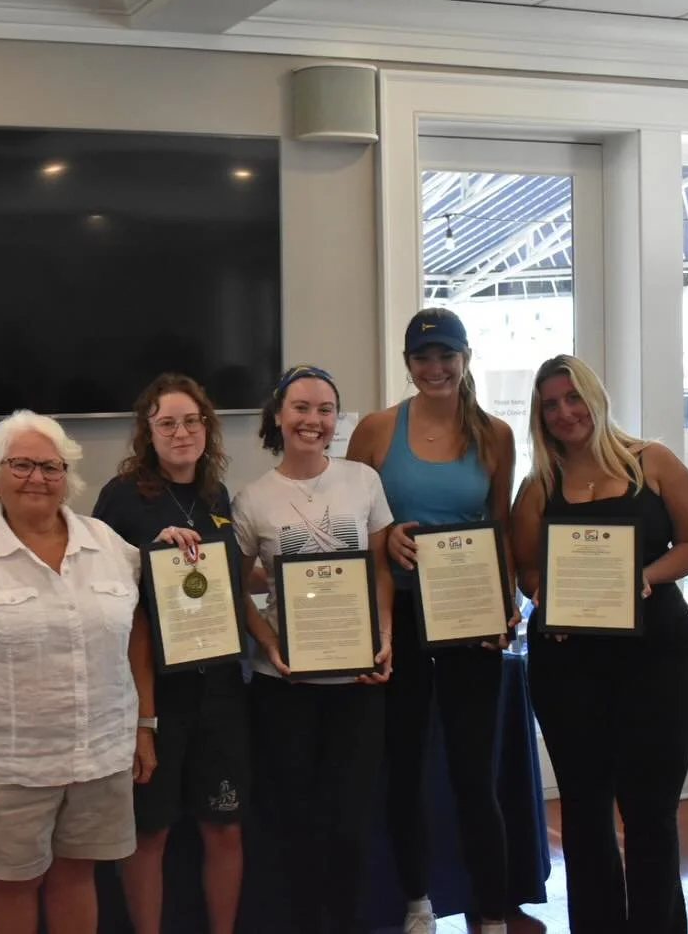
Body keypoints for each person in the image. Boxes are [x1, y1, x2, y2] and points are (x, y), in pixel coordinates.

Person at [0, 410, 153, 934]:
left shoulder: (110, 547)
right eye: (21, 465)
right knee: (12, 886)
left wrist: (145, 727)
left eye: (52, 466)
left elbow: (136, 638)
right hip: (8, 766)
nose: (38, 478)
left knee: (77, 878)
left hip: (101, 756)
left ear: (67, 478)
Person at [511, 354, 688, 934]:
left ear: (595, 398)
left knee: (650, 811)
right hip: (570, 665)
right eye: (550, 404)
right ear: (539, 415)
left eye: (573, 397)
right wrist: (546, 594)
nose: (565, 412)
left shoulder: (654, 462)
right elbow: (525, 570)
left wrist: (643, 576)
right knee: (585, 806)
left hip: (658, 660)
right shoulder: (539, 485)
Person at [346, 307, 517, 934]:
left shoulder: (496, 434)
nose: (436, 367)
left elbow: (498, 527)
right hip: (402, 612)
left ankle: (491, 911)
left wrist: (507, 605)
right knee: (406, 763)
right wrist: (387, 538)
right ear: (408, 365)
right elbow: (359, 518)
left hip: (469, 614)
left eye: (446, 355)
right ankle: (417, 900)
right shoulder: (375, 430)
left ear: (465, 358)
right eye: (423, 358)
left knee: (477, 772)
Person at [233, 364, 394, 934]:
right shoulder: (252, 498)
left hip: (358, 683)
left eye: (325, 410)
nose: (313, 420)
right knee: (296, 820)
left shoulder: (362, 482)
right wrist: (271, 642)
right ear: (278, 415)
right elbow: (238, 588)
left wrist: (386, 637)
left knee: (350, 820)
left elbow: (378, 571)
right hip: (287, 686)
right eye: (301, 408)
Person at [90, 373, 249, 934]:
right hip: (154, 692)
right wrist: (144, 553)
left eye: (191, 420)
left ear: (206, 426)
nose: (181, 432)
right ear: (147, 433)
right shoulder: (121, 497)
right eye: (166, 423)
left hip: (221, 689)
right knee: (151, 831)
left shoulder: (216, 495)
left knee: (223, 827)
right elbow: (95, 586)